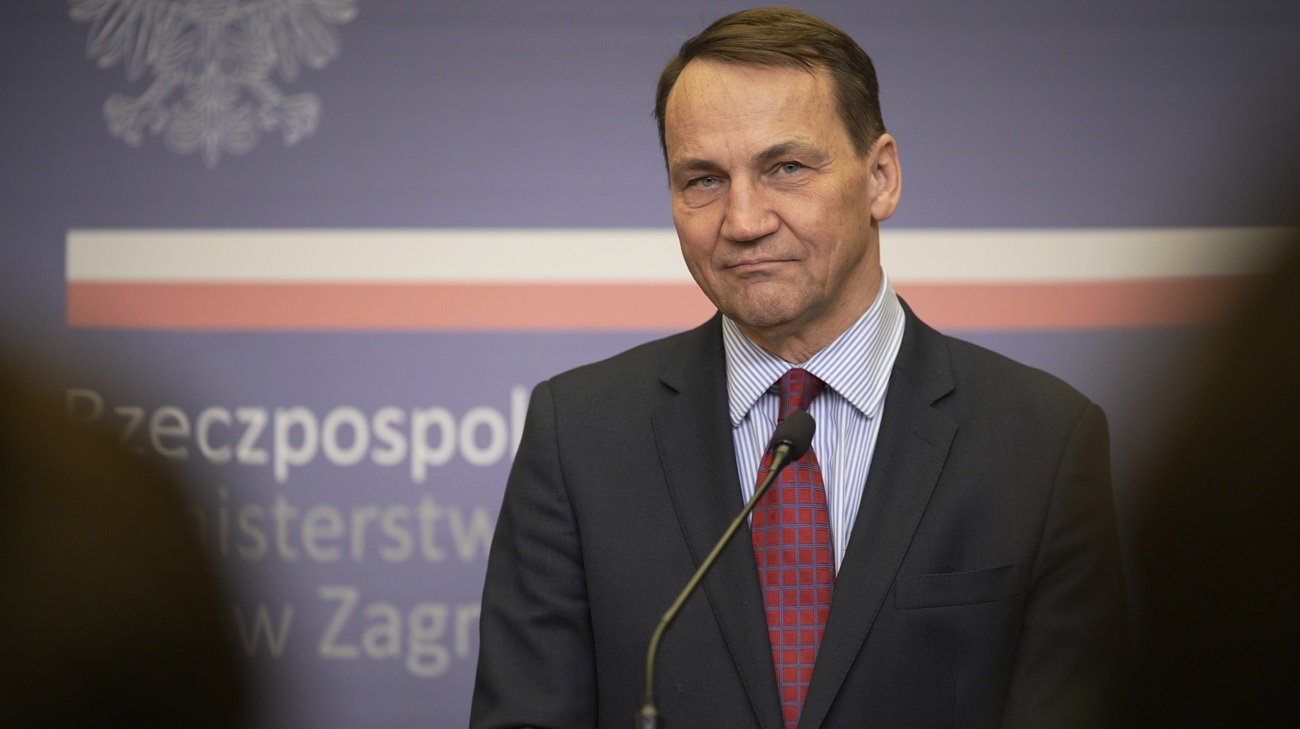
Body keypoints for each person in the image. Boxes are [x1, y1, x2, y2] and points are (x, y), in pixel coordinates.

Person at [471, 7, 1127, 729]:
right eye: (703, 180)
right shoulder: (578, 436)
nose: (744, 221)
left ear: (881, 177)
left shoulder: (1043, 441)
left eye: (785, 168)